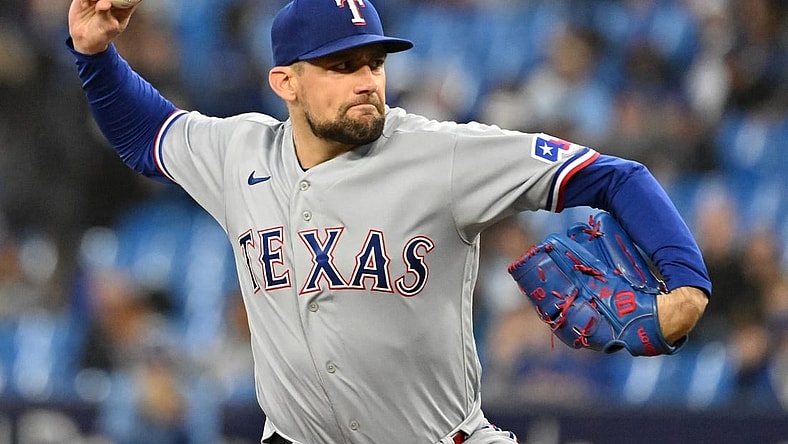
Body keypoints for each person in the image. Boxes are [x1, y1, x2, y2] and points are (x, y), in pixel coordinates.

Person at [66, 0, 710, 442]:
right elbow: (145, 132)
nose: (366, 80)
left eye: (373, 61)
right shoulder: (241, 153)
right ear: (285, 82)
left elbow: (615, 176)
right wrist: (94, 56)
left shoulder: (442, 154)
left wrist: (686, 283)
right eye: (341, 66)